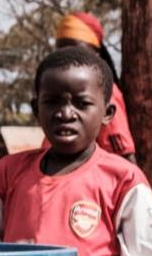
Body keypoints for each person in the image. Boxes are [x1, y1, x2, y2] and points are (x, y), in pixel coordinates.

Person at [0, 47, 152, 256]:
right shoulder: (7, 172)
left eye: (82, 103)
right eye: (53, 102)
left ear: (108, 113)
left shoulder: (125, 180)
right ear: (36, 108)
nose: (65, 113)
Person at [53, 12, 136, 163]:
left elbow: (125, 158)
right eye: (61, 52)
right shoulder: (53, 94)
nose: (68, 60)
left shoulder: (103, 93)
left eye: (77, 52)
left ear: (96, 54)